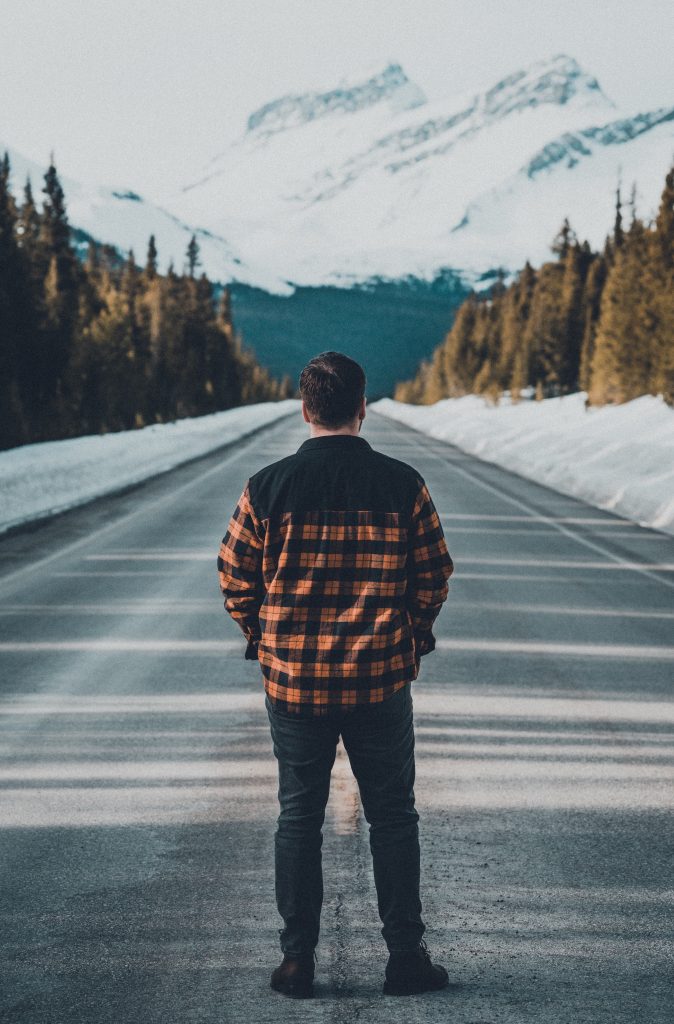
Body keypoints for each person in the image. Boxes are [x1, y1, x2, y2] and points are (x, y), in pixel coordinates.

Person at [216, 351, 454, 998]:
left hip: (294, 686)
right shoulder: (402, 483)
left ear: (305, 409)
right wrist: (413, 634)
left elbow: (235, 576)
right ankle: (406, 957)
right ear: (361, 407)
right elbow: (434, 573)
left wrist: (266, 639)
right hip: (380, 682)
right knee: (394, 818)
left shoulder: (267, 486)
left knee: (298, 818)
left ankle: (298, 962)